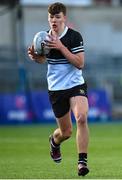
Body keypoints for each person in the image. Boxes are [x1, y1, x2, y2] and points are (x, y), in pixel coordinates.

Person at [28, 2, 89, 176]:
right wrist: (35, 57)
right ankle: (55, 142)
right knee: (66, 132)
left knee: (81, 117)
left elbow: (80, 63)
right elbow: (42, 60)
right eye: (51, 17)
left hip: (75, 84)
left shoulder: (74, 36)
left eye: (57, 17)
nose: (53, 20)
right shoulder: (43, 38)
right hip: (56, 89)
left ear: (64, 18)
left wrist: (61, 47)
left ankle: (82, 162)